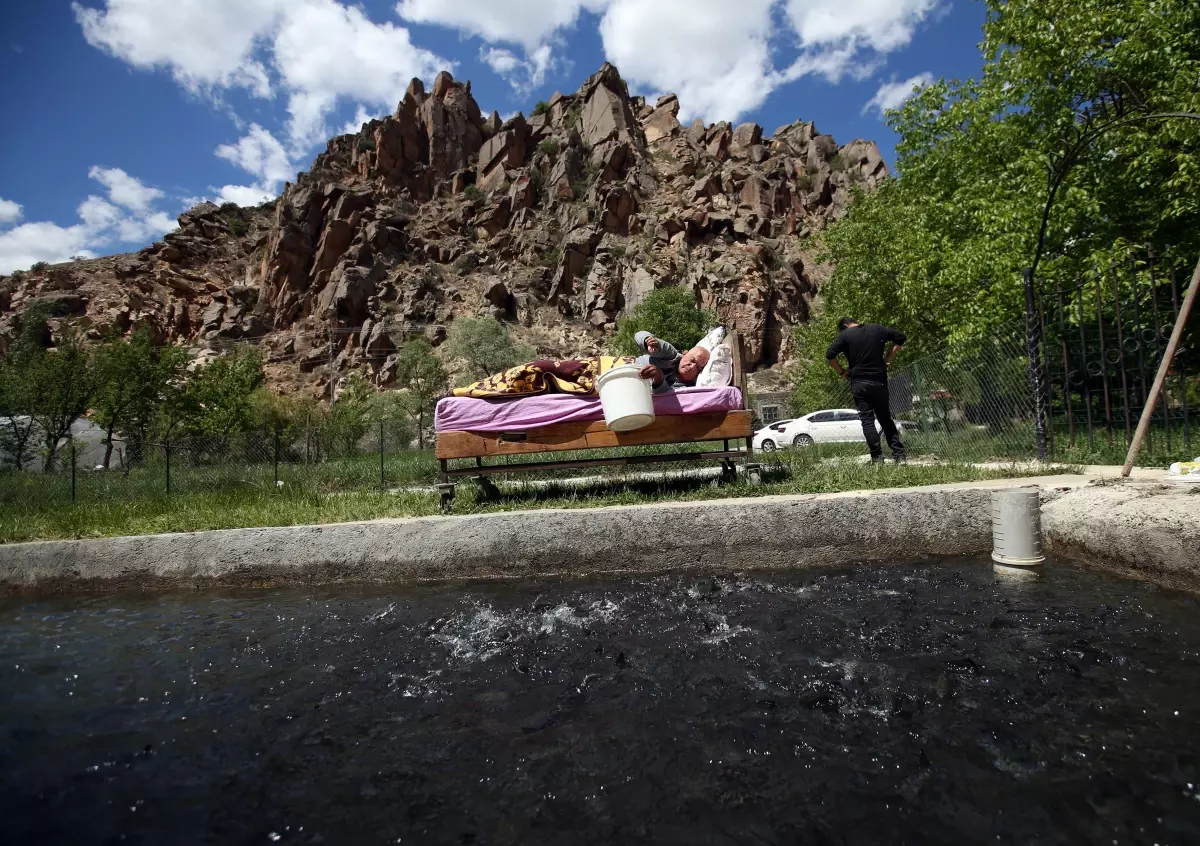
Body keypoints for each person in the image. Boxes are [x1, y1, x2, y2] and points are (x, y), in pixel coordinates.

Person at [826, 317, 907, 463]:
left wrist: (841, 372)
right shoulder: (877, 328)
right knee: (885, 418)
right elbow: (901, 337)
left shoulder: (845, 335)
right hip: (879, 380)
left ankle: (877, 458)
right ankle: (899, 455)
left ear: (845, 326)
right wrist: (888, 359)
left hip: (859, 383)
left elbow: (830, 355)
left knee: (867, 421)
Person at [634, 331, 709, 394]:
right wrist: (650, 341)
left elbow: (664, 396)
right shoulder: (671, 355)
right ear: (684, 354)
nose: (692, 367)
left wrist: (659, 378)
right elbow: (639, 335)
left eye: (698, 368)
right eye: (692, 360)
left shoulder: (687, 389)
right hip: (628, 368)